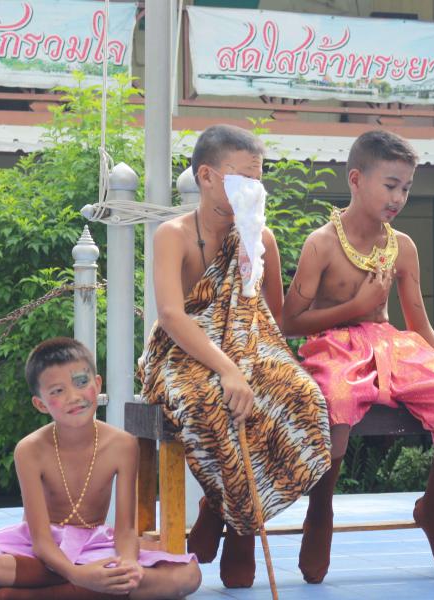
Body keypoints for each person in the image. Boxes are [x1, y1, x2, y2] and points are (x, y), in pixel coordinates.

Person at [281, 129, 434, 583]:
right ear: (356, 179)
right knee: (335, 399)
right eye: (390, 185)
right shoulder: (321, 243)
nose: (399, 198)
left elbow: (418, 321)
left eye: (406, 188)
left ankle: (432, 511)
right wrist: (356, 307)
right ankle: (320, 510)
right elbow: (289, 322)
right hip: (333, 348)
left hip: (392, 349)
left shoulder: (403, 246)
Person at [138, 124, 331, 588]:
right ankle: (240, 523)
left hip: (250, 344)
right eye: (243, 178)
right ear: (207, 176)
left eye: (258, 179)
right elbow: (170, 314)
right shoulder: (172, 235)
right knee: (210, 402)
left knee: (304, 396)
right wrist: (227, 369)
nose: (254, 189)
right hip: (182, 353)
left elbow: (269, 316)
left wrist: (257, 362)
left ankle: (227, 516)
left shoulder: (260, 238)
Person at [0, 337, 200, 600]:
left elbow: (125, 531)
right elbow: (41, 540)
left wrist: (127, 564)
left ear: (97, 384)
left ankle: (42, 595)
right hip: (40, 551)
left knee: (188, 575)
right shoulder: (30, 450)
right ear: (40, 404)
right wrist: (78, 574)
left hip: (95, 547)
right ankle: (91, 588)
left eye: (81, 383)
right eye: (57, 391)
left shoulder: (123, 445)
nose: (73, 397)